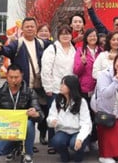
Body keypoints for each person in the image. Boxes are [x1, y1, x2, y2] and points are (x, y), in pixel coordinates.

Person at [0, 17, 51, 154]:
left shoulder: (43, 44)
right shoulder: (17, 44)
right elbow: (6, 51)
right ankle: (25, 142)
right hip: (23, 87)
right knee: (26, 116)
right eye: (27, 26)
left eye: (32, 26)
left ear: (35, 28)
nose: (30, 28)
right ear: (22, 29)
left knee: (41, 112)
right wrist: (0, 48)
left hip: (40, 86)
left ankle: (41, 136)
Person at [0, 64, 44, 163]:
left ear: (22, 76)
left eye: (16, 77)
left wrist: (35, 114)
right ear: (6, 76)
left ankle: (28, 154)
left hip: (22, 128)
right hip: (5, 129)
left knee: (29, 124)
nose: (14, 80)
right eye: (11, 77)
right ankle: (14, 147)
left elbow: (40, 115)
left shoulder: (30, 92)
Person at [91, 52, 118, 163]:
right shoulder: (104, 74)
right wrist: (117, 81)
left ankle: (113, 153)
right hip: (103, 109)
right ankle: (104, 155)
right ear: (114, 62)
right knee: (110, 127)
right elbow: (105, 94)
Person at [41, 24, 76, 153]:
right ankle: (52, 143)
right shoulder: (52, 49)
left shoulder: (75, 50)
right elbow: (46, 70)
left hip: (70, 89)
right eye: (63, 33)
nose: (66, 36)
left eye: (68, 33)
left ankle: (64, 142)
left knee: (67, 115)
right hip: (55, 88)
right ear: (58, 36)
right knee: (53, 115)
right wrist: (48, 87)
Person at [47, 75, 92, 162]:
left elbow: (86, 123)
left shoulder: (81, 102)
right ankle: (65, 156)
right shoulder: (57, 100)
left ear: (71, 87)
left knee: (75, 144)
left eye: (64, 84)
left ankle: (79, 154)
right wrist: (51, 121)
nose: (61, 86)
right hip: (63, 131)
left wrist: (80, 138)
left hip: (78, 131)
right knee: (56, 141)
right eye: (61, 84)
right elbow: (51, 116)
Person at [72, 28, 102, 149]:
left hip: (99, 89)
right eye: (90, 36)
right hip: (85, 89)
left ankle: (94, 139)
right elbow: (76, 71)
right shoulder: (80, 50)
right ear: (86, 38)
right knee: (86, 116)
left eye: (95, 36)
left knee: (97, 116)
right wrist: (83, 63)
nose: (93, 38)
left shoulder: (102, 51)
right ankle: (85, 141)